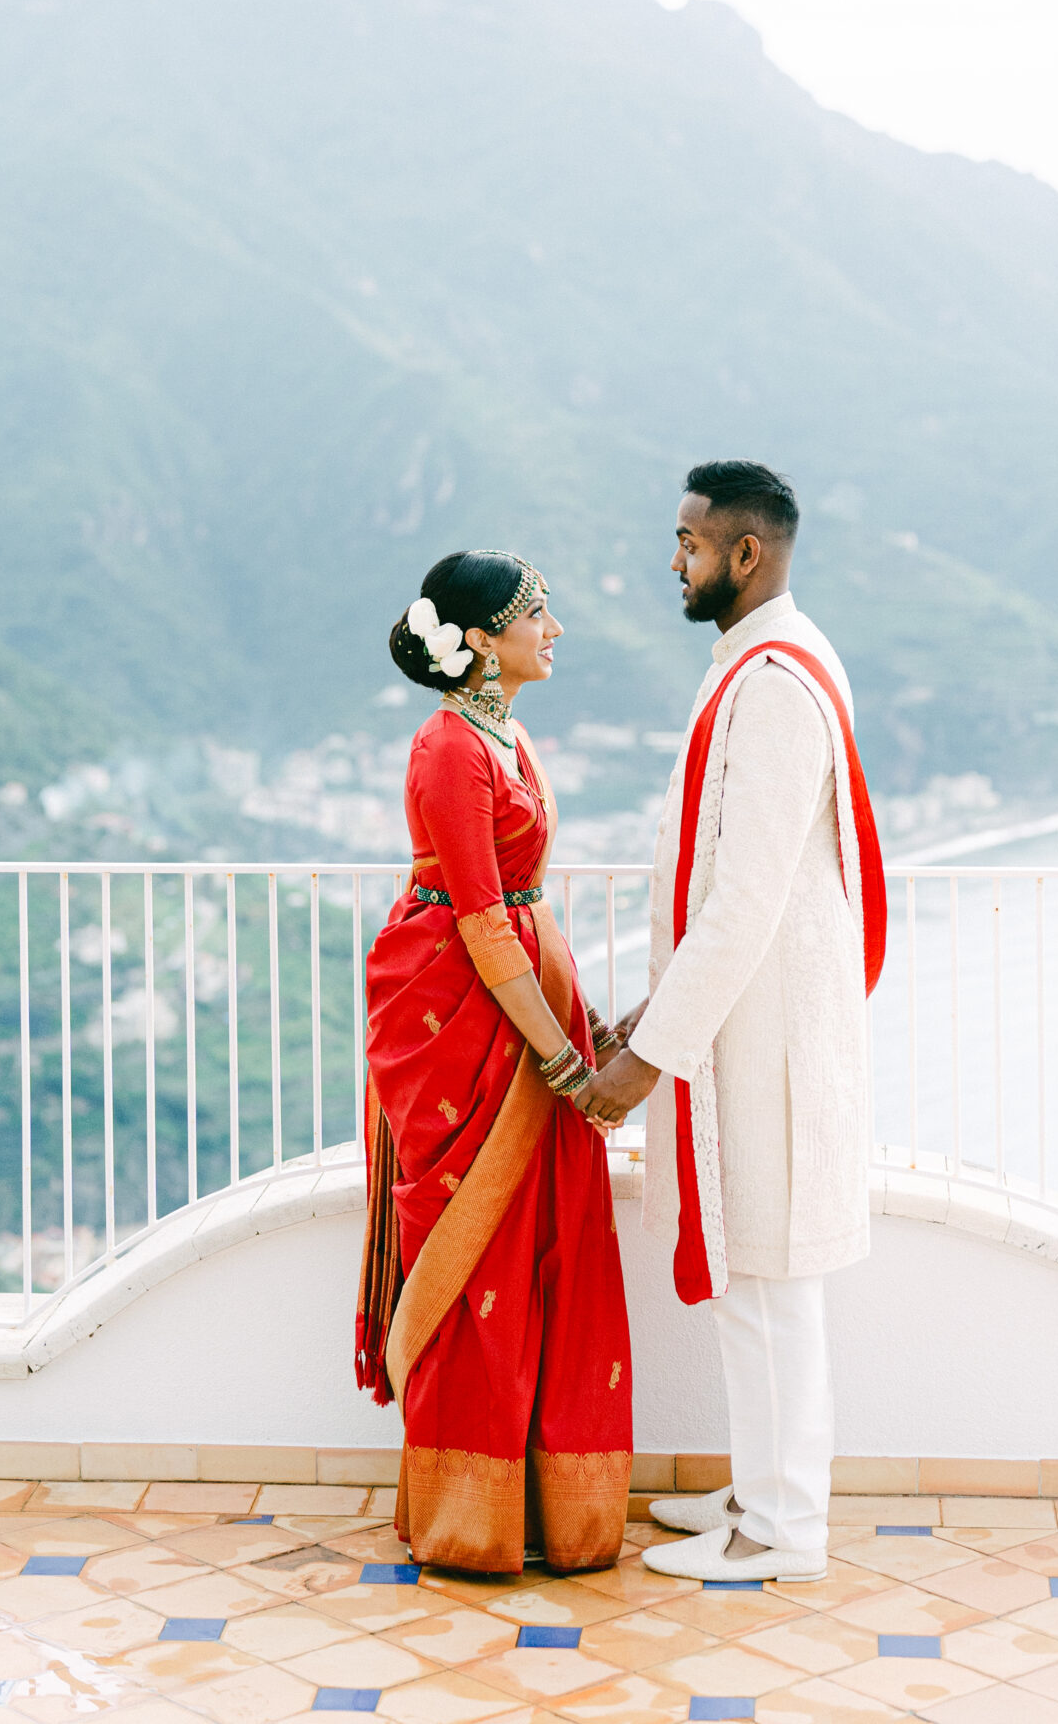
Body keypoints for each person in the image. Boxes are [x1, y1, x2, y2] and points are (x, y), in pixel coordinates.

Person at [580, 461, 887, 1583]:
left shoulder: (772, 685)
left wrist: (646, 1058)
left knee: (772, 1287)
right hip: (743, 1034)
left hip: (766, 1050)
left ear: (743, 553)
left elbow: (743, 899)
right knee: (753, 1282)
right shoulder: (766, 663)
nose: (675, 559)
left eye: (689, 541)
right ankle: (759, 1489)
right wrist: (653, 1010)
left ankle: (784, 1528)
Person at [356, 549, 632, 1575]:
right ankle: (467, 1519)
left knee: (542, 1242)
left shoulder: (506, 734)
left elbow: (523, 906)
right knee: (472, 1241)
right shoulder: (448, 749)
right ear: (479, 637)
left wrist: (581, 1018)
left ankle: (546, 1507)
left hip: (510, 993)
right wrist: (563, 1062)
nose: (554, 629)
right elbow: (479, 917)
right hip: (454, 1014)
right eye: (536, 613)